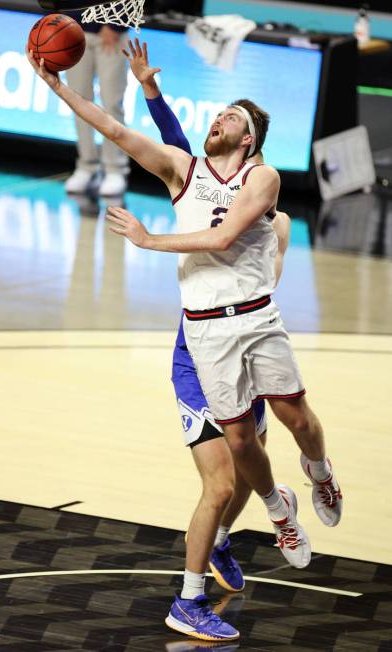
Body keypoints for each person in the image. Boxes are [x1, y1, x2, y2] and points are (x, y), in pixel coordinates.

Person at [27, 46, 343, 643]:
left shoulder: (269, 204)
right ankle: (203, 583)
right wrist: (65, 87)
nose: (217, 119)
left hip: (252, 322)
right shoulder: (188, 170)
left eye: (230, 117)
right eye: (216, 114)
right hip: (198, 345)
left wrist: (151, 240)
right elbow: (128, 134)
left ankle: (259, 518)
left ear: (250, 141)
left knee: (261, 456)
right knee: (224, 480)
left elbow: (225, 231)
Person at [123, 39, 290, 596]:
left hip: (246, 342)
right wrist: (150, 89)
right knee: (220, 481)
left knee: (251, 464)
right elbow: (176, 148)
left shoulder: (272, 220)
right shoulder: (204, 180)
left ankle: (220, 539)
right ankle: (191, 590)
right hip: (199, 346)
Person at [64, 16, 130, 196]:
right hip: (73, 29)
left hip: (111, 33)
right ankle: (87, 166)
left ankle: (115, 169)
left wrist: (115, 24)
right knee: (78, 102)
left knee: (112, 104)